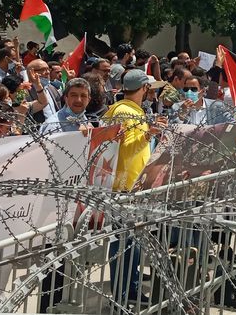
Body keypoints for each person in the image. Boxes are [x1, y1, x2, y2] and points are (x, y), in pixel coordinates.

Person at [104, 69, 167, 305]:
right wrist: (149, 132)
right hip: (124, 187)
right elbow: (125, 145)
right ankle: (123, 294)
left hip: (132, 186)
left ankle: (130, 289)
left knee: (132, 243)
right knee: (124, 243)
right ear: (144, 88)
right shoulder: (125, 112)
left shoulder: (131, 110)